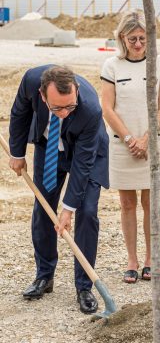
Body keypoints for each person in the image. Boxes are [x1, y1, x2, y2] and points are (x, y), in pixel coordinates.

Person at [9, 65, 109, 314]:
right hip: (49, 147)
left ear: (75, 91)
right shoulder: (31, 81)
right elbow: (19, 114)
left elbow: (83, 164)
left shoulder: (90, 108)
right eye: (57, 108)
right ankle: (45, 276)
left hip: (86, 153)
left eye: (69, 106)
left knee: (86, 212)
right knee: (43, 206)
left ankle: (84, 286)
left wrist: (69, 208)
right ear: (43, 96)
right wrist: (17, 153)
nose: (64, 113)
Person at [101, 10, 160, 284]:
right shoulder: (111, 66)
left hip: (152, 143)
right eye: (133, 39)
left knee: (150, 203)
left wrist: (146, 138)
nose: (139, 44)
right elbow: (107, 107)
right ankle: (131, 260)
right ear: (122, 38)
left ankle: (150, 259)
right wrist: (131, 139)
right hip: (123, 145)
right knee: (127, 203)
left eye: (143, 38)